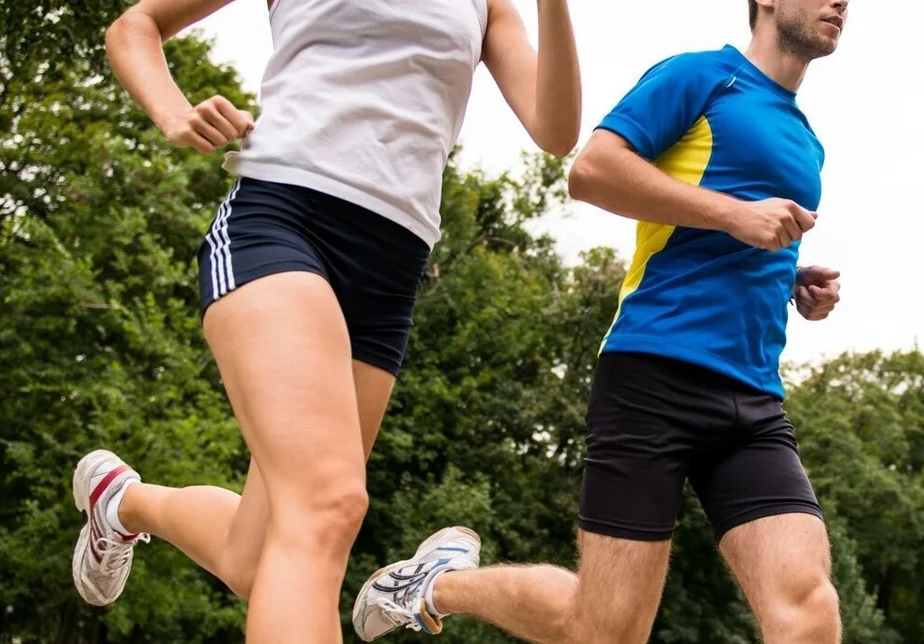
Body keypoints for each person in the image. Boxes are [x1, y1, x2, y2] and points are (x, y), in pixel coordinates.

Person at [68, 0, 581, 641]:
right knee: (327, 508)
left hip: (389, 275)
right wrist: (173, 113)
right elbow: (134, 26)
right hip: (283, 223)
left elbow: (556, 130)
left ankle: (119, 502)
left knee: (256, 560)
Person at [350, 0, 850, 642]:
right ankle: (435, 584)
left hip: (753, 399)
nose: (841, 2)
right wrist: (733, 215)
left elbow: (741, 240)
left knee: (808, 612)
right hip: (654, 375)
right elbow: (591, 172)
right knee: (605, 628)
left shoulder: (808, 139)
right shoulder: (701, 77)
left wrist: (792, 281)